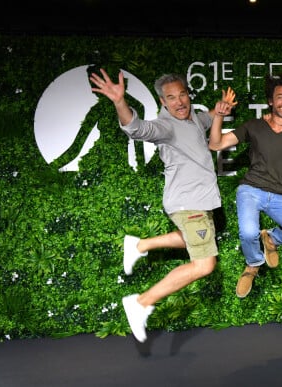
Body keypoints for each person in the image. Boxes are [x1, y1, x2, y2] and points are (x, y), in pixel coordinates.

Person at [89, 69, 237, 342]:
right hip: (188, 203)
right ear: (162, 102)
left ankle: (140, 245)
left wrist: (219, 110)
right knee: (204, 265)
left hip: (199, 202)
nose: (180, 102)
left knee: (192, 241)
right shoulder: (165, 126)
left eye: (183, 95)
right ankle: (142, 302)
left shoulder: (193, 118)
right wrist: (120, 102)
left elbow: (207, 118)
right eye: (172, 98)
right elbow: (137, 128)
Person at [208, 72, 282, 298]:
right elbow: (216, 145)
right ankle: (253, 263)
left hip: (280, 196)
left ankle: (271, 237)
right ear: (271, 101)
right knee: (247, 233)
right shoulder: (254, 126)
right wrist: (218, 116)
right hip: (251, 190)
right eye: (280, 97)